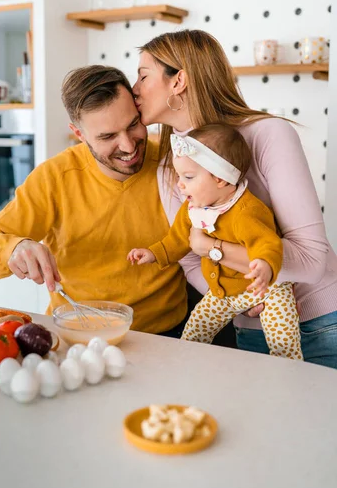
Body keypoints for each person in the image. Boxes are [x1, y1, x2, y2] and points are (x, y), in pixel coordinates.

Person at [132, 29, 337, 369]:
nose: (134, 89)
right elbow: (187, 260)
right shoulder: (170, 165)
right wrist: (239, 301)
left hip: (318, 325)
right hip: (247, 329)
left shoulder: (268, 135)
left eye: (143, 76)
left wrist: (213, 249)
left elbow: (312, 261)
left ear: (178, 81)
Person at [0, 65, 195, 335]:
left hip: (169, 334)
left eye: (133, 124)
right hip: (78, 333)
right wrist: (14, 248)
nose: (129, 146)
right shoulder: (55, 177)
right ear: (79, 134)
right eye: (108, 136)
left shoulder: (177, 164)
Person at [128, 125, 303, 360]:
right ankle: (188, 367)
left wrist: (264, 264)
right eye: (180, 176)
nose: (180, 184)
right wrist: (153, 253)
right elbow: (177, 240)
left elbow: (267, 243)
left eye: (188, 177)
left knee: (283, 339)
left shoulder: (246, 211)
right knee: (194, 331)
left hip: (267, 289)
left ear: (220, 179)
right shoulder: (192, 209)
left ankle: (289, 371)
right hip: (224, 292)